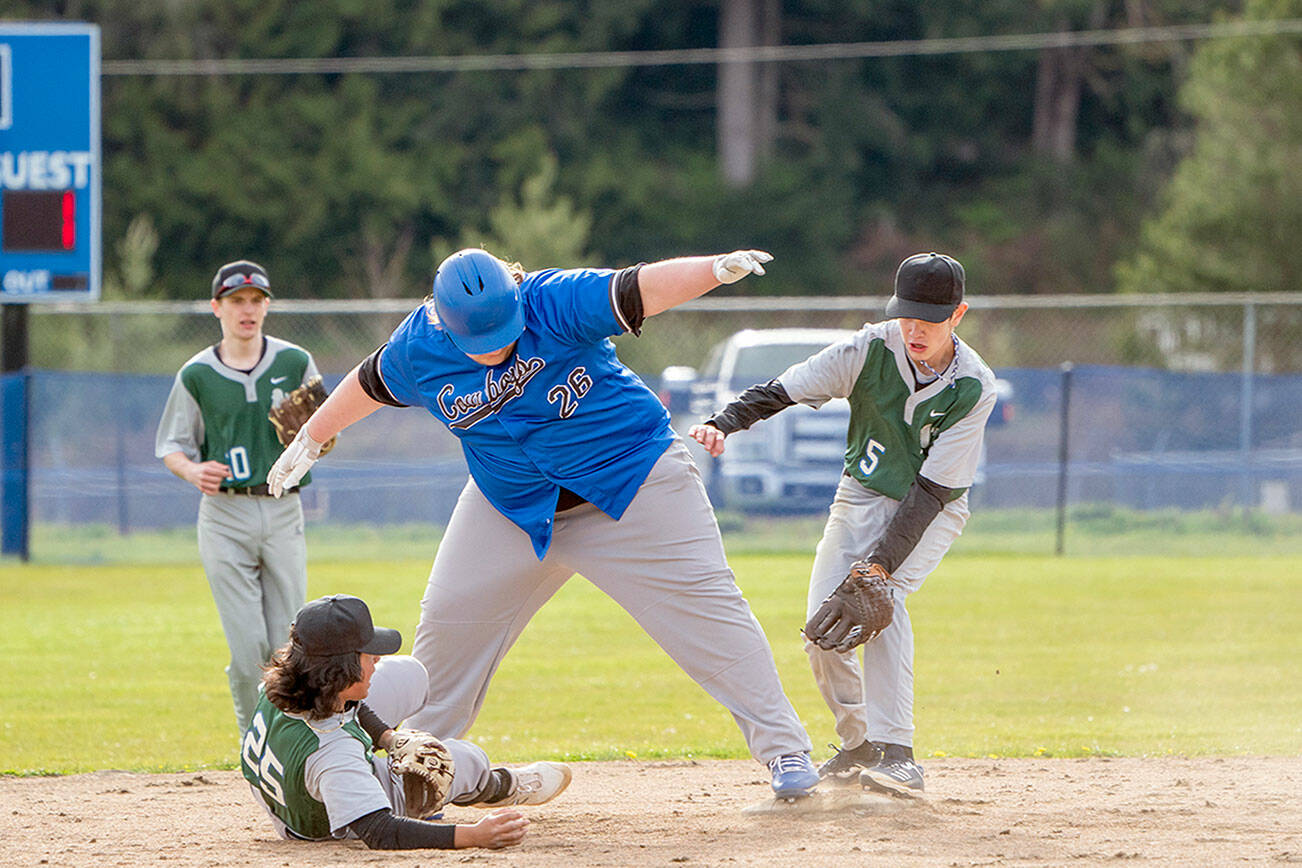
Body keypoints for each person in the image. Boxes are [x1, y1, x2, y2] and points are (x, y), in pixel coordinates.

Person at [266, 248, 820, 799]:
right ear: (442, 320)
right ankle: (416, 770)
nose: (495, 349)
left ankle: (784, 748)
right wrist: (312, 437)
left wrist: (711, 270)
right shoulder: (419, 347)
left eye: (503, 332)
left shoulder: (552, 301)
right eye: (477, 343)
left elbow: (638, 286)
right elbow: (367, 383)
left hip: (633, 483)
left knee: (708, 611)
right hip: (511, 505)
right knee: (448, 624)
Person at [689, 252, 998, 796]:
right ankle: (859, 747)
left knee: (882, 599)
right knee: (820, 631)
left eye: (930, 317)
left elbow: (929, 493)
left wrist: (877, 567)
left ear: (959, 314)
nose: (915, 328)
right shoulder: (870, 348)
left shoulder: (974, 386)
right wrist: (723, 422)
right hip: (859, 496)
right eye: (907, 314)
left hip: (932, 508)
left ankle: (898, 753)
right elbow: (784, 389)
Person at [241, 593, 571, 850]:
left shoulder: (286, 683)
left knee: (408, 674)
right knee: (462, 758)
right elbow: (380, 831)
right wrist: (474, 835)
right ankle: (498, 786)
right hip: (329, 819)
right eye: (368, 656)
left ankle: (394, 759)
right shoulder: (334, 755)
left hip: (300, 776)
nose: (377, 659)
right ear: (341, 671)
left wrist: (389, 739)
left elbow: (347, 706)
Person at [155, 260, 322, 734]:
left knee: (288, 641)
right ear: (217, 308)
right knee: (248, 646)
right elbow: (171, 444)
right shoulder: (197, 374)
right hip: (225, 514)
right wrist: (192, 469)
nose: (247, 310)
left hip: (282, 506)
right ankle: (257, 744)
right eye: (236, 301)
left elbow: (321, 436)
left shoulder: (294, 362)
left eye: (256, 300)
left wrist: (309, 440)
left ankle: (296, 739)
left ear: (266, 306)